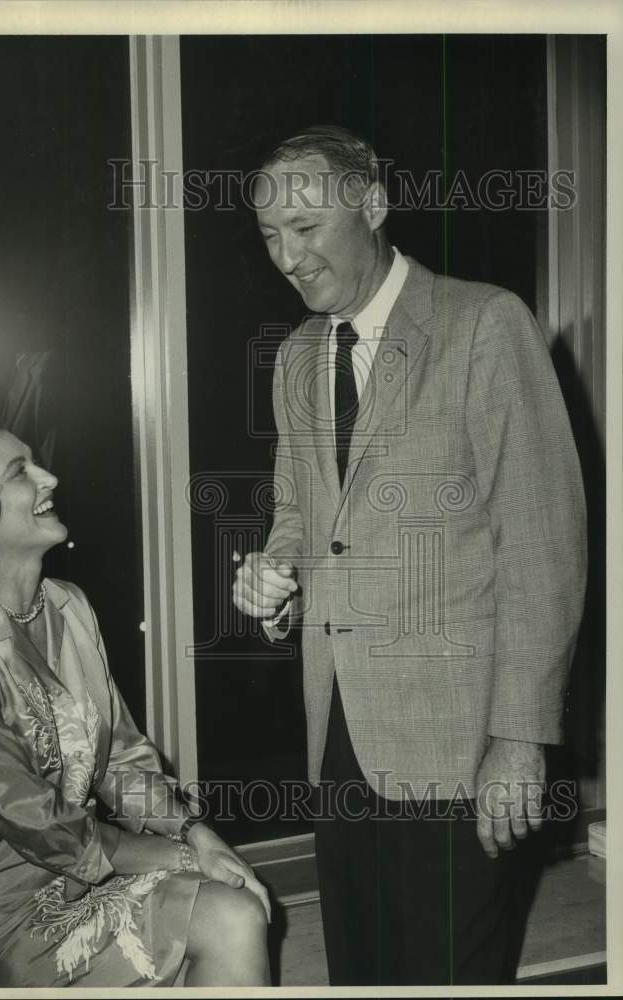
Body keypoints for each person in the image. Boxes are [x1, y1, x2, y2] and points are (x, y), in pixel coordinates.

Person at [233, 125, 587, 985]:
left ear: (374, 205)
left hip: (461, 737)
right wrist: (272, 577)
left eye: (308, 227)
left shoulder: (483, 324)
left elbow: (542, 547)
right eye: (271, 236)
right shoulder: (293, 359)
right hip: (340, 734)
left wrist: (518, 741)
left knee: (449, 968)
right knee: (362, 967)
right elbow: (300, 513)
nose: (289, 256)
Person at [0, 407, 270, 988]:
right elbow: (51, 830)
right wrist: (183, 859)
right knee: (228, 918)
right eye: (22, 470)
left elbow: (120, 761)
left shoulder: (69, 607)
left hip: (85, 878)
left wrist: (198, 835)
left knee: (236, 910)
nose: (48, 478)